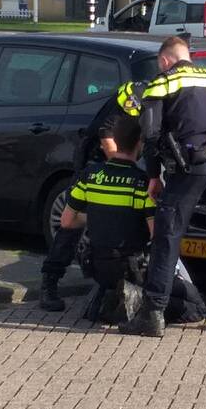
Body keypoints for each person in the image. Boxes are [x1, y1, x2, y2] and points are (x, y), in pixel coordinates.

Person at [120, 36, 206, 337]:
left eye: (159, 64)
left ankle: (153, 314)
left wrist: (153, 175)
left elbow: (151, 134)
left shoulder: (163, 82)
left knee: (167, 236)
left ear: (165, 60)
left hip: (188, 166)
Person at [59, 116, 206, 325]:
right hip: (132, 268)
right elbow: (156, 236)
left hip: (97, 266)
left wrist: (96, 216)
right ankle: (135, 302)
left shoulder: (90, 176)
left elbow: (66, 222)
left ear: (114, 141)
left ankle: (107, 298)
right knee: (197, 307)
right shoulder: (143, 183)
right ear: (140, 142)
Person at [39, 81, 145, 311]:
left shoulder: (154, 100)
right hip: (96, 166)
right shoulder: (127, 103)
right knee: (71, 228)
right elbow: (109, 144)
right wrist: (131, 169)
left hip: (124, 165)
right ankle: (50, 284)